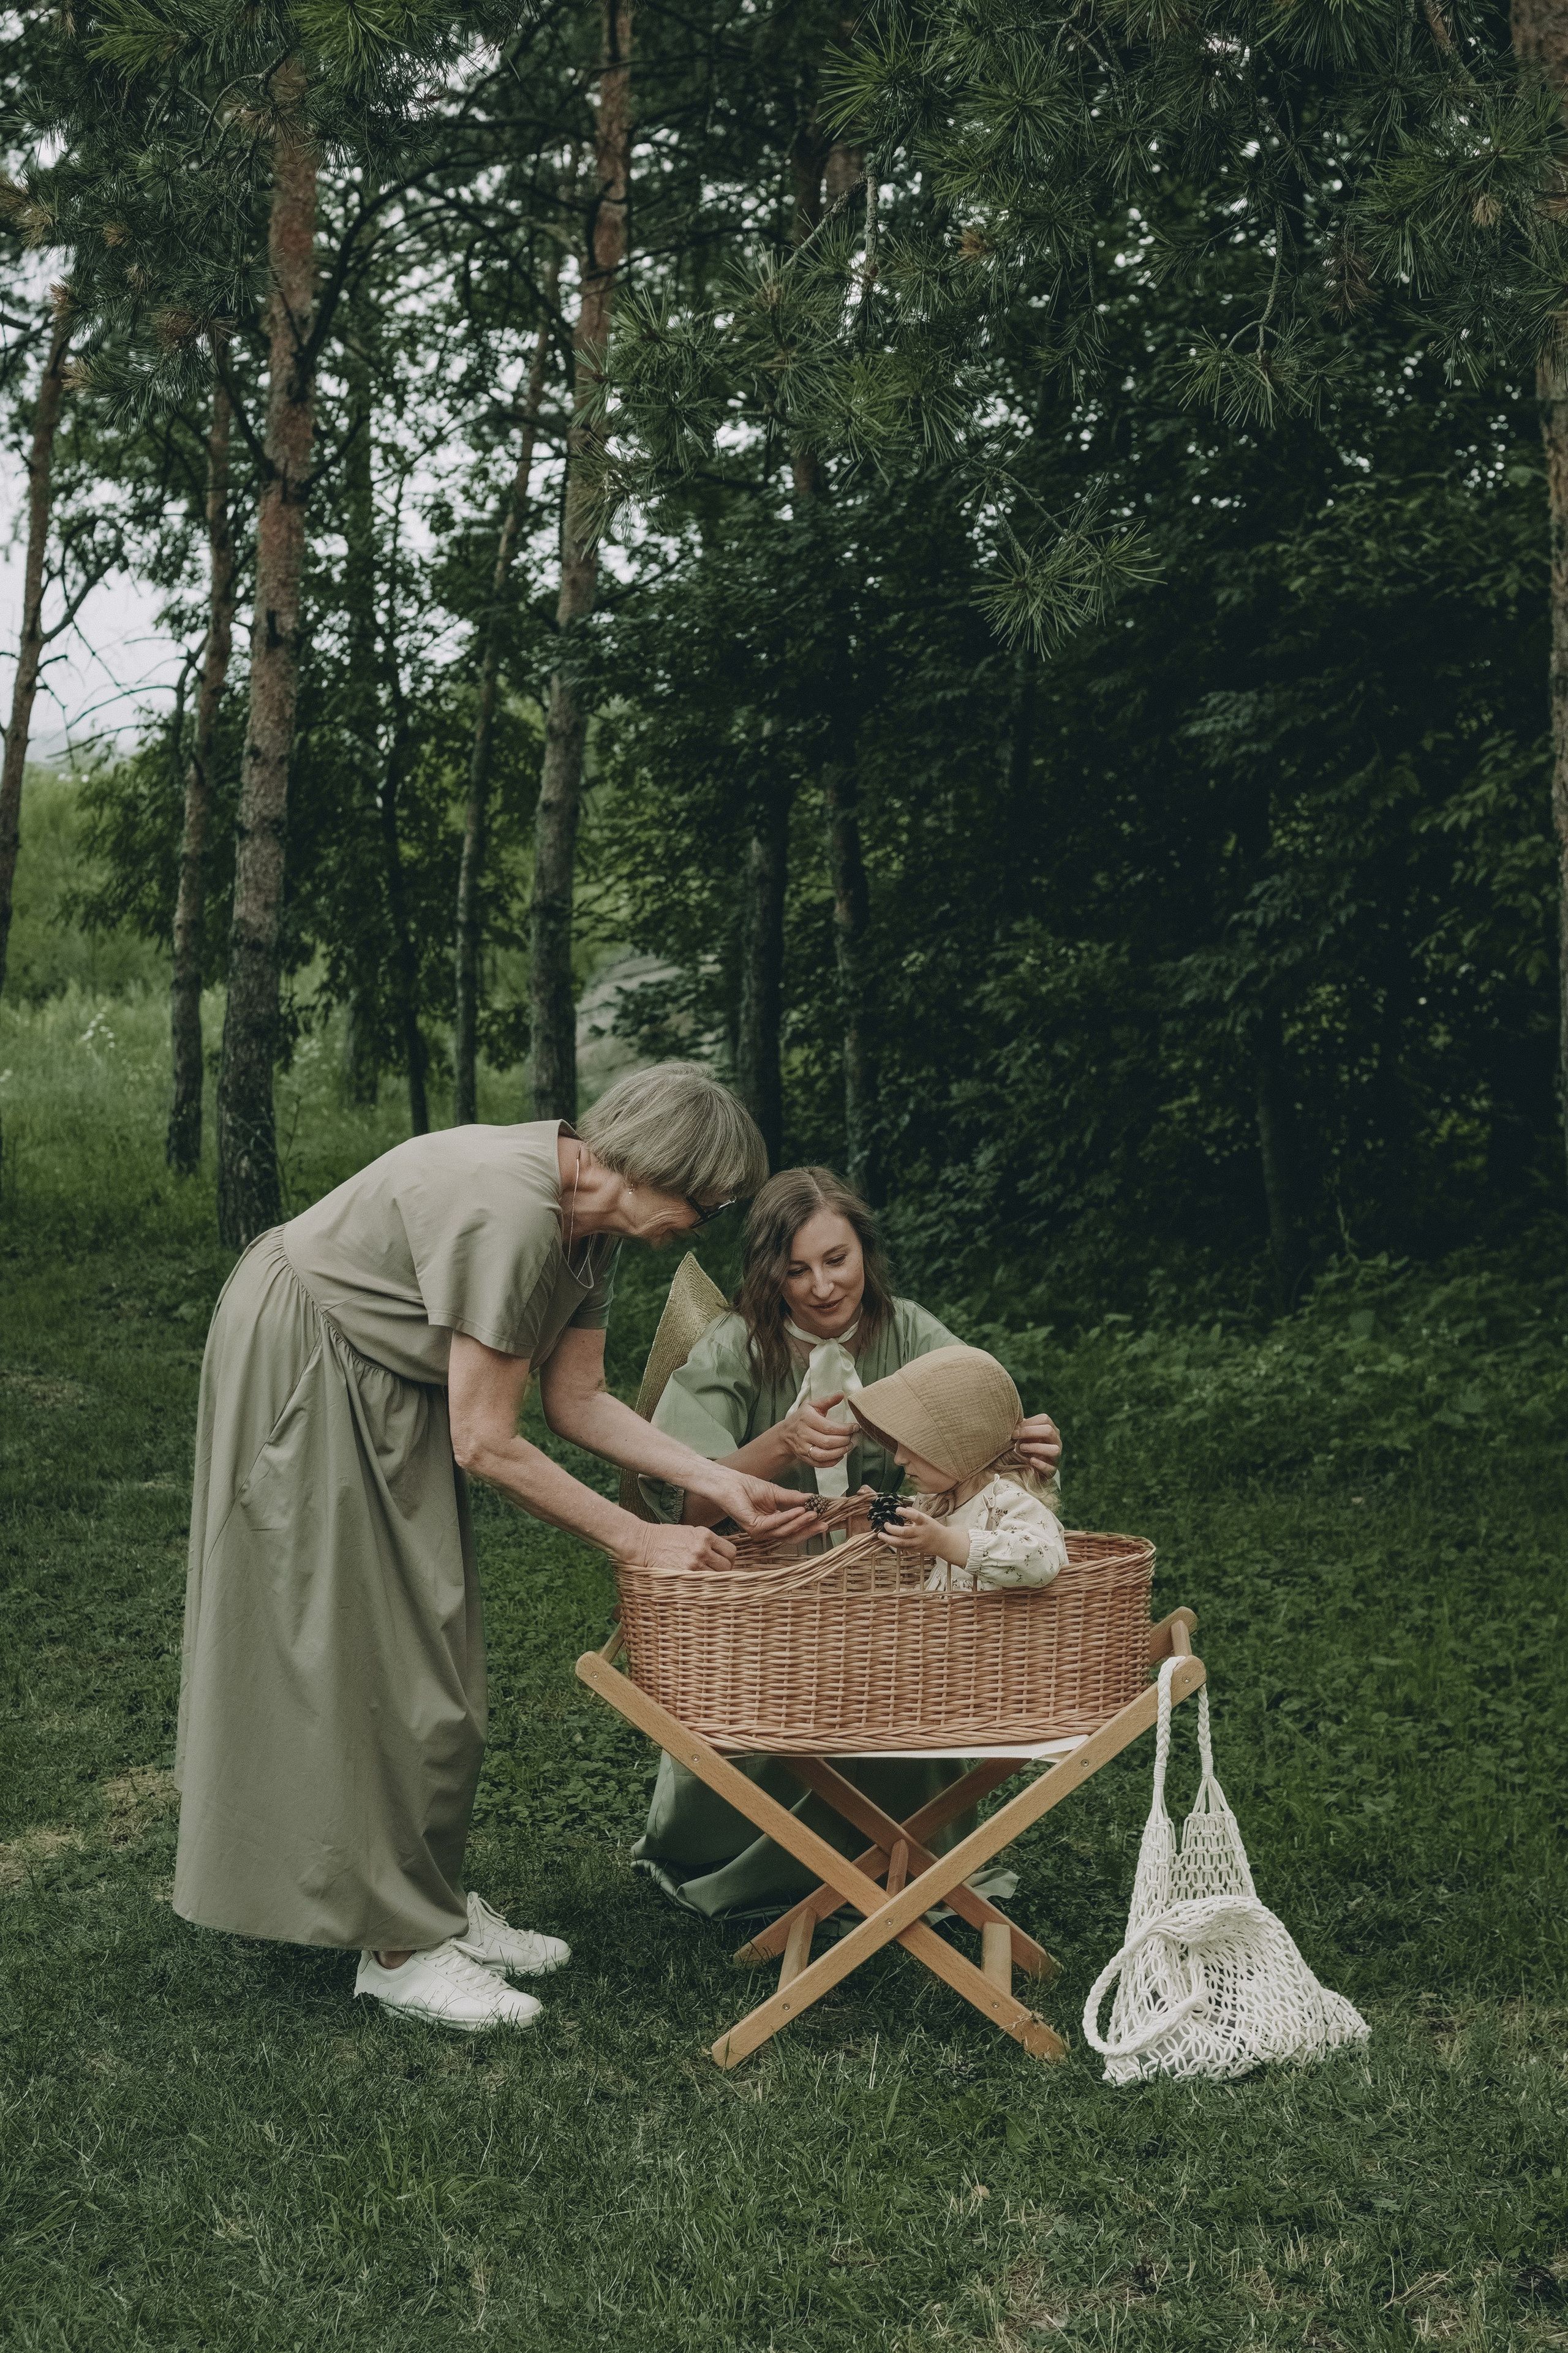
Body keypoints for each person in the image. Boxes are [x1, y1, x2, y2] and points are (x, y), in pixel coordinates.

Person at [174, 1064, 809, 2034]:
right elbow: (485, 1441)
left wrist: (714, 1478)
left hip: (386, 1369)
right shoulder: (515, 1214)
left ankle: (420, 1900)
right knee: (377, 1651)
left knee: (432, 1640)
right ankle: (398, 1951)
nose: (705, 1223)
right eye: (707, 1202)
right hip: (312, 1357)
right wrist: (640, 1538)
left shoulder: (591, 1229)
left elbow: (577, 1399)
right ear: (657, 1167)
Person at [631, 1166, 1063, 1917]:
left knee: (904, 1685)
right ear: (768, 1271)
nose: (823, 1286)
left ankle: (902, 1853)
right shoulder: (734, 1345)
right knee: (762, 1711)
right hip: (763, 1601)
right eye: (796, 1269)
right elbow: (679, 1503)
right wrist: (780, 1444)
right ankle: (741, 1860)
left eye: (837, 1259)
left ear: (865, 1249)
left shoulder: (912, 1333)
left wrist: (1021, 1447)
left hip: (897, 1607)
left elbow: (977, 1445)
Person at [848, 1342, 1069, 1590]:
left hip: (990, 1617)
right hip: (943, 1615)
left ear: (965, 1444)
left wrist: (946, 1542)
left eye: (916, 1445)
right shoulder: (938, 1499)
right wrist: (884, 1517)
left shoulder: (1005, 1500)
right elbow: (915, 1558)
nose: (899, 1459)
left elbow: (1040, 1562)